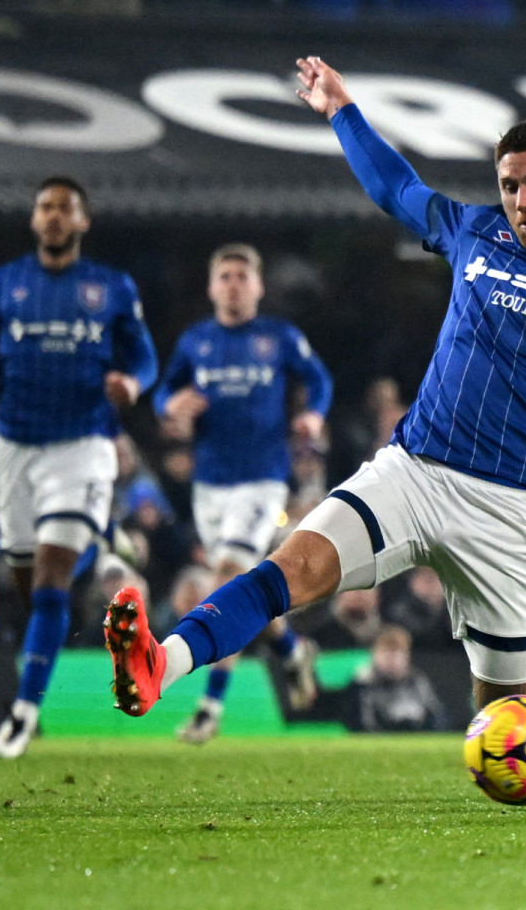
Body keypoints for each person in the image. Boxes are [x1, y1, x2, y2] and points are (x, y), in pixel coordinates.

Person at [102, 57, 526, 802]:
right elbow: (395, 189)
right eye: (509, 184)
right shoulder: (477, 232)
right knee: (291, 569)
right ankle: (162, 663)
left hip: (511, 510)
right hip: (414, 468)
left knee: (505, 747)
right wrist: (341, 111)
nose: (518, 199)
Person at [0, 177, 159, 758]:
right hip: (15, 446)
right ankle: (104, 540)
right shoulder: (4, 283)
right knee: (28, 582)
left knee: (48, 582)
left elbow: (143, 353)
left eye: (65, 209)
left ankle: (22, 714)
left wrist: (134, 382)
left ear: (83, 222)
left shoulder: (110, 287)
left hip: (82, 443)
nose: (54, 217)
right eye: (45, 207)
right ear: (33, 218)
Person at [154, 243, 334, 744]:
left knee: (225, 579)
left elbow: (319, 380)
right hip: (209, 483)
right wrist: (174, 404)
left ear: (257, 287)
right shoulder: (195, 342)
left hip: (262, 479)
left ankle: (209, 708)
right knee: (239, 594)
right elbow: (164, 393)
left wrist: (313, 414)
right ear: (212, 287)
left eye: (242, 276)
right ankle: (292, 652)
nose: (233, 284)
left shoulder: (278, 338)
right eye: (225, 276)